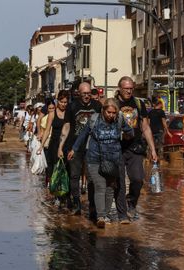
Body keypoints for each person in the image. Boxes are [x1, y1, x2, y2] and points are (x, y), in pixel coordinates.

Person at [68, 98, 134, 227]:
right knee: (100, 186)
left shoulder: (120, 119)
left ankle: (106, 214)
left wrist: (128, 134)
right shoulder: (94, 119)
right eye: (108, 112)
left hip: (113, 159)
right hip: (94, 158)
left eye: (113, 113)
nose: (111, 115)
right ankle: (101, 217)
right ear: (103, 110)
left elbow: (130, 132)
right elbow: (83, 135)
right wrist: (74, 149)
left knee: (110, 189)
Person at [115, 76, 157, 220]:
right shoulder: (113, 103)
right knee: (119, 182)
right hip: (117, 148)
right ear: (119, 88)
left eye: (131, 88)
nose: (129, 91)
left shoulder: (138, 103)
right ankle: (122, 214)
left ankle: (131, 202)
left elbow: (145, 127)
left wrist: (153, 149)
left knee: (138, 179)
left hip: (135, 147)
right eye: (126, 88)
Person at [58, 82, 102, 216]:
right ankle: (76, 203)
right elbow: (66, 127)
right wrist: (61, 147)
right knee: (74, 176)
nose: (87, 96)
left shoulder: (97, 106)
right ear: (79, 93)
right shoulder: (72, 106)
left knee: (91, 177)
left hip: (92, 148)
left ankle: (93, 206)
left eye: (89, 94)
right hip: (74, 147)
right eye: (84, 94)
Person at [37, 90, 69, 190]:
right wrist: (41, 146)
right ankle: (54, 191)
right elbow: (47, 131)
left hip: (66, 144)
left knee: (65, 169)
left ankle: (64, 192)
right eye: (61, 101)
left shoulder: (69, 113)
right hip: (54, 144)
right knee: (53, 168)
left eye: (65, 102)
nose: (63, 104)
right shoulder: (52, 114)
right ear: (57, 101)